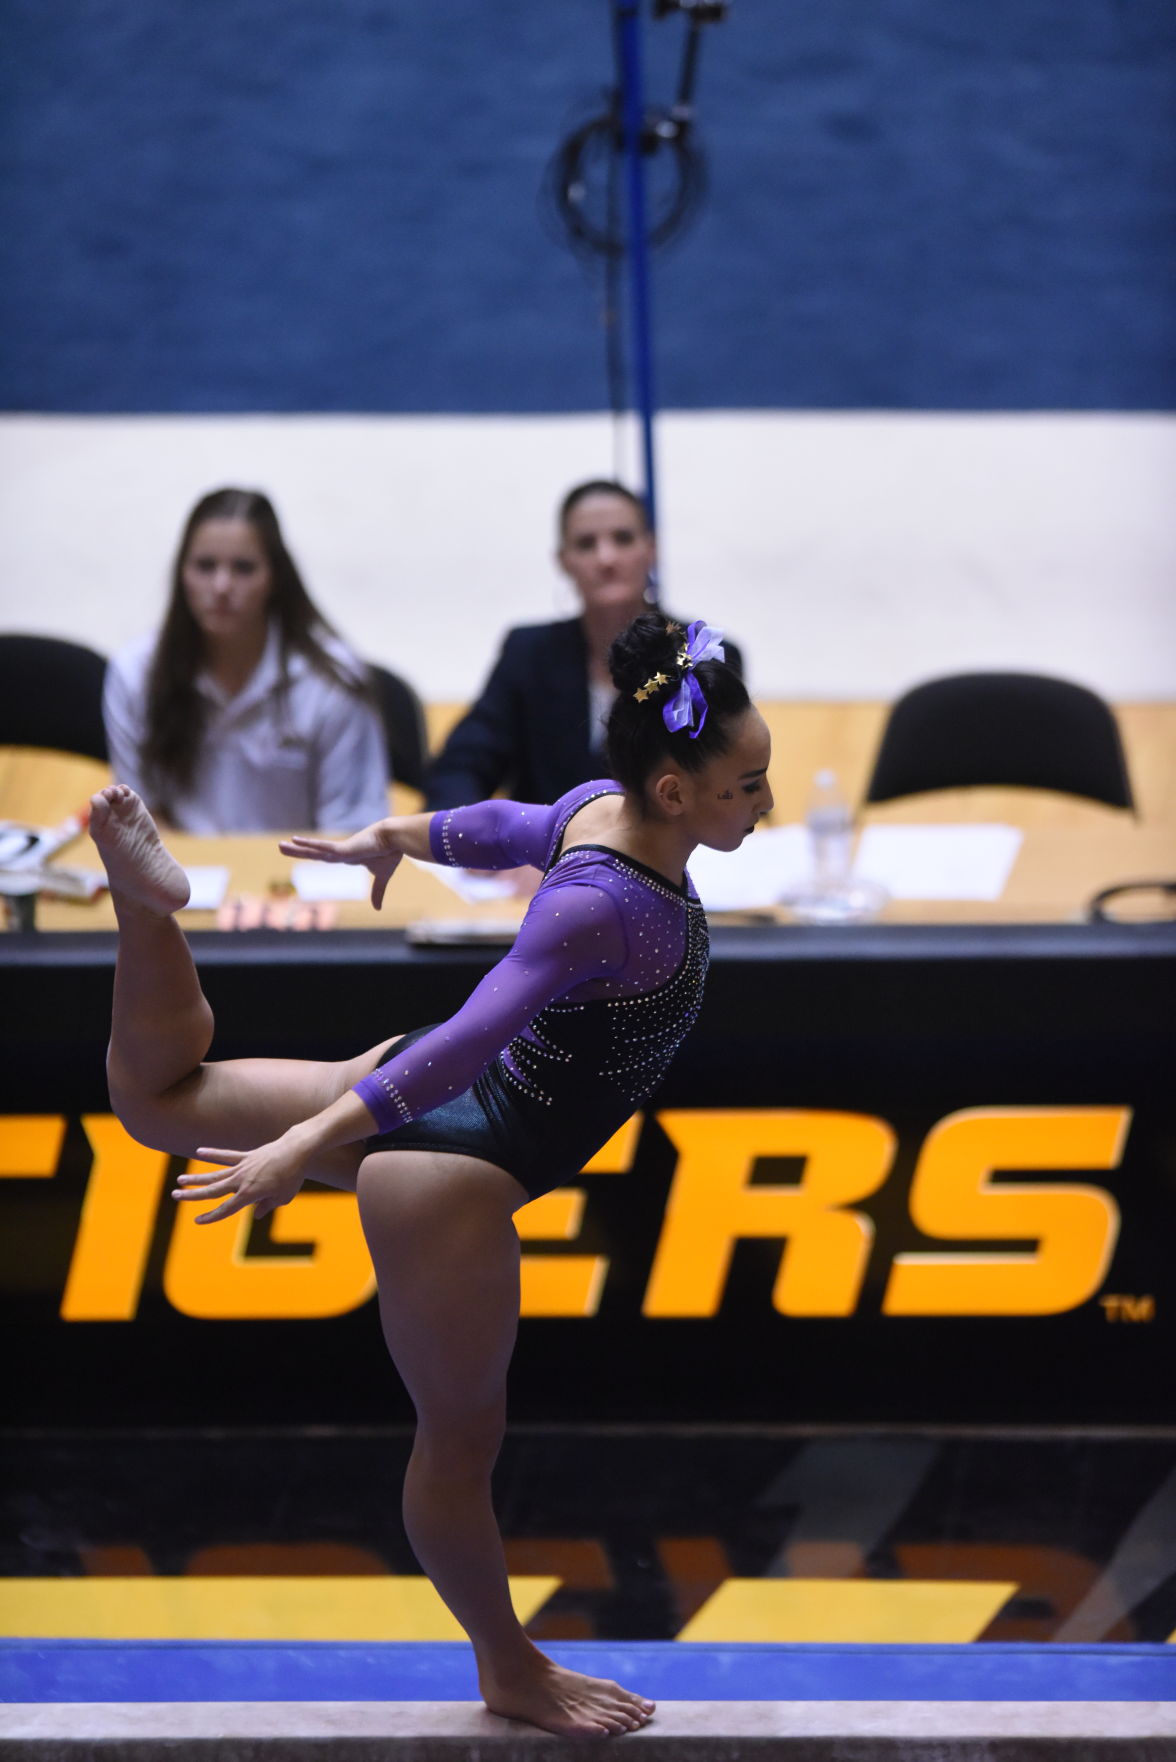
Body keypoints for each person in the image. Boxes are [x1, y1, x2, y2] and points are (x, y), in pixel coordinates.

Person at [88, 610, 772, 1738]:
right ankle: (507, 1665)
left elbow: (513, 821)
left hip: (415, 1090)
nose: (764, 801)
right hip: (457, 1163)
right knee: (457, 1452)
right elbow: (471, 1033)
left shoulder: (605, 816)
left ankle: (146, 910)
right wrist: (308, 1147)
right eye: (748, 785)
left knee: (151, 1099)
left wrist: (399, 835)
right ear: (676, 788)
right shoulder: (606, 907)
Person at [425, 479, 745, 810]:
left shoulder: (701, 654)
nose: (606, 558)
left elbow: (722, 782)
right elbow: (461, 767)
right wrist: (480, 843)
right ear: (563, 561)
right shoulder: (529, 653)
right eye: (586, 544)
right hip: (545, 856)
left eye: (623, 539)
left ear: (651, 550)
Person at [103, 487, 390, 833]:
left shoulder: (330, 681)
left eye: (243, 568)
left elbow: (352, 832)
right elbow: (141, 818)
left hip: (300, 877)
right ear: (182, 574)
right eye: (205, 566)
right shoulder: (136, 673)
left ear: (275, 578)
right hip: (180, 878)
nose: (222, 586)